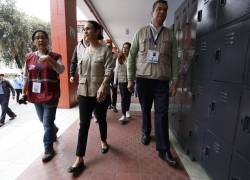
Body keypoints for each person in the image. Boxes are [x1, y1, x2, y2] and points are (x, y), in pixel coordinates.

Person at [127, 0, 178, 166]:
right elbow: (131, 56)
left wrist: (175, 81)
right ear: (152, 12)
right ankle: (145, 131)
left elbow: (175, 61)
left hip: (162, 81)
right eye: (159, 9)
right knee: (145, 109)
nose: (162, 12)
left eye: (165, 10)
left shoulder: (170, 34)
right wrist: (130, 78)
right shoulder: (140, 32)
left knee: (162, 113)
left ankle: (164, 150)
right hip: (143, 80)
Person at [68, 20, 114, 173]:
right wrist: (78, 89)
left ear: (96, 31)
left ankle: (103, 140)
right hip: (84, 93)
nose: (85, 31)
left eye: (88, 29)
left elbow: (109, 70)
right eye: (84, 29)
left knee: (101, 119)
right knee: (84, 124)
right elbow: (80, 71)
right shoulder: (83, 50)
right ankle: (79, 157)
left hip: (100, 93)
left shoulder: (105, 49)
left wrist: (103, 86)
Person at [22, 30, 65, 162]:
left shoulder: (56, 56)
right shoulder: (29, 57)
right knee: (43, 120)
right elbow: (26, 76)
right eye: (37, 38)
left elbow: (61, 70)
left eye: (42, 37)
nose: (40, 40)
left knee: (46, 123)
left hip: (51, 94)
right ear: (34, 41)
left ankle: (48, 148)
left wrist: (49, 59)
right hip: (36, 95)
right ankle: (54, 129)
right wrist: (24, 92)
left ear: (47, 40)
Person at [114, 42, 132, 124]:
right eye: (123, 47)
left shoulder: (131, 58)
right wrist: (115, 81)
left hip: (130, 80)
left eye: (127, 48)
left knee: (128, 96)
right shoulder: (119, 58)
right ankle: (123, 114)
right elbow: (116, 70)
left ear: (129, 49)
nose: (124, 49)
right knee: (123, 97)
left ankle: (127, 110)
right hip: (121, 80)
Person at [106, 39, 118, 113]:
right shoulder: (103, 55)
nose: (108, 47)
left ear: (111, 47)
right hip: (106, 76)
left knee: (114, 91)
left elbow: (117, 67)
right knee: (107, 91)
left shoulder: (115, 55)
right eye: (107, 46)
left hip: (114, 76)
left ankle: (114, 105)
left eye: (109, 46)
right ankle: (109, 104)